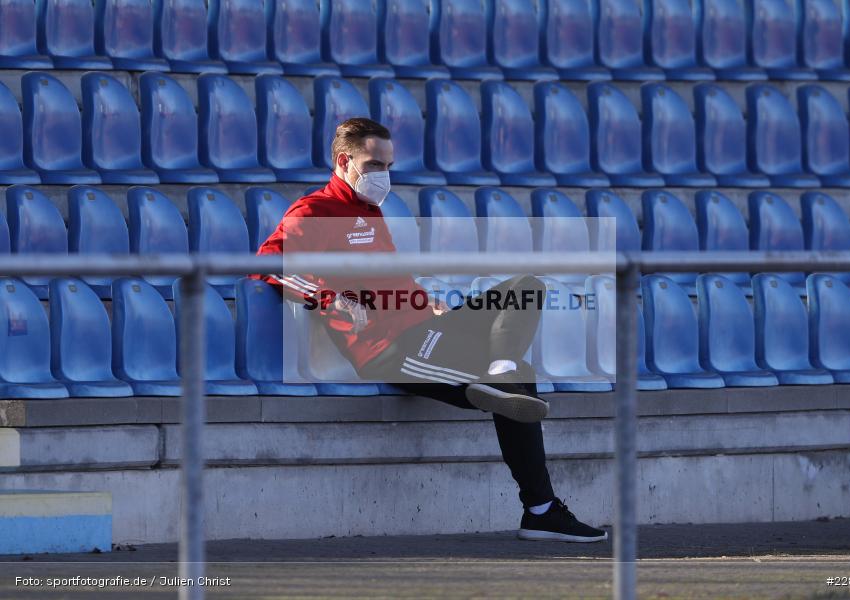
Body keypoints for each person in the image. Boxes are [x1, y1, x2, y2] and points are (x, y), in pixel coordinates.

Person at [252, 117, 607, 543]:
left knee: (525, 287)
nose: (385, 175)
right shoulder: (313, 212)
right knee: (519, 383)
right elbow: (268, 262)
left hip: (422, 326)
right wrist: (330, 298)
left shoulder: (370, 211)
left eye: (389, 165)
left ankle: (500, 365)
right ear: (344, 161)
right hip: (391, 350)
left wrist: (424, 301)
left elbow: (391, 282)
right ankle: (542, 510)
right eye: (375, 165)